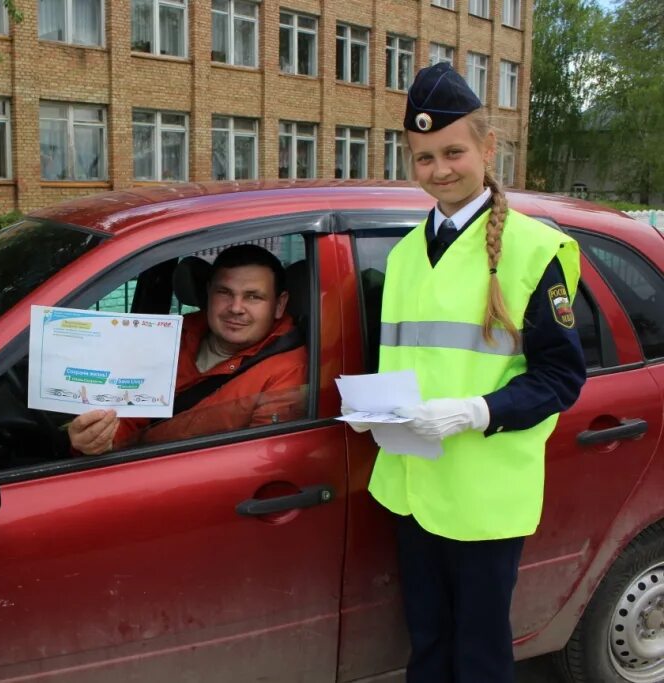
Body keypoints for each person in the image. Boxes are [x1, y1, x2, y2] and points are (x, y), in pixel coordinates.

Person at [350, 62, 586, 683]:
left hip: (484, 495)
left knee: (480, 656)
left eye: (453, 151)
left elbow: (561, 378)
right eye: (423, 157)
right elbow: (406, 357)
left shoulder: (535, 250)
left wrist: (475, 411)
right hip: (414, 489)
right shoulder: (403, 254)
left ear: (488, 147)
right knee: (427, 644)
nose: (440, 169)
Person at [68, 244, 307, 455]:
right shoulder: (173, 336)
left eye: (253, 297)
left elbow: (255, 462)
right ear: (208, 294)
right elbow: (130, 411)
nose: (236, 308)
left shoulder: (288, 369)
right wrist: (100, 441)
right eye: (224, 292)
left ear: (279, 305)